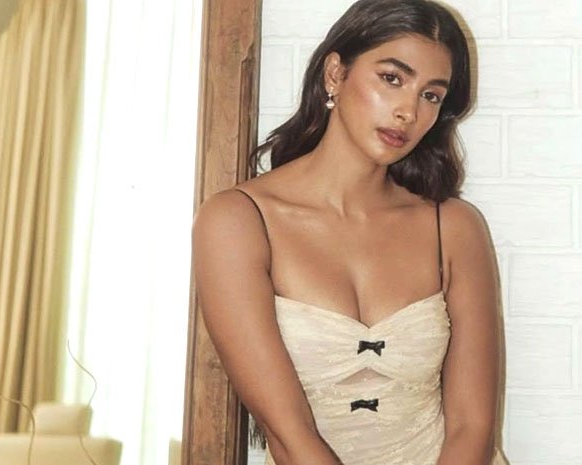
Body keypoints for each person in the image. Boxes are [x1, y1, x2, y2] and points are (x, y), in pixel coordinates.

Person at [192, 0, 509, 464]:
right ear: (335, 74)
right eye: (392, 78)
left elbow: (472, 427)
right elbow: (289, 435)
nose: (408, 111)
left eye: (430, 95)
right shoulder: (238, 222)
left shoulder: (455, 227)